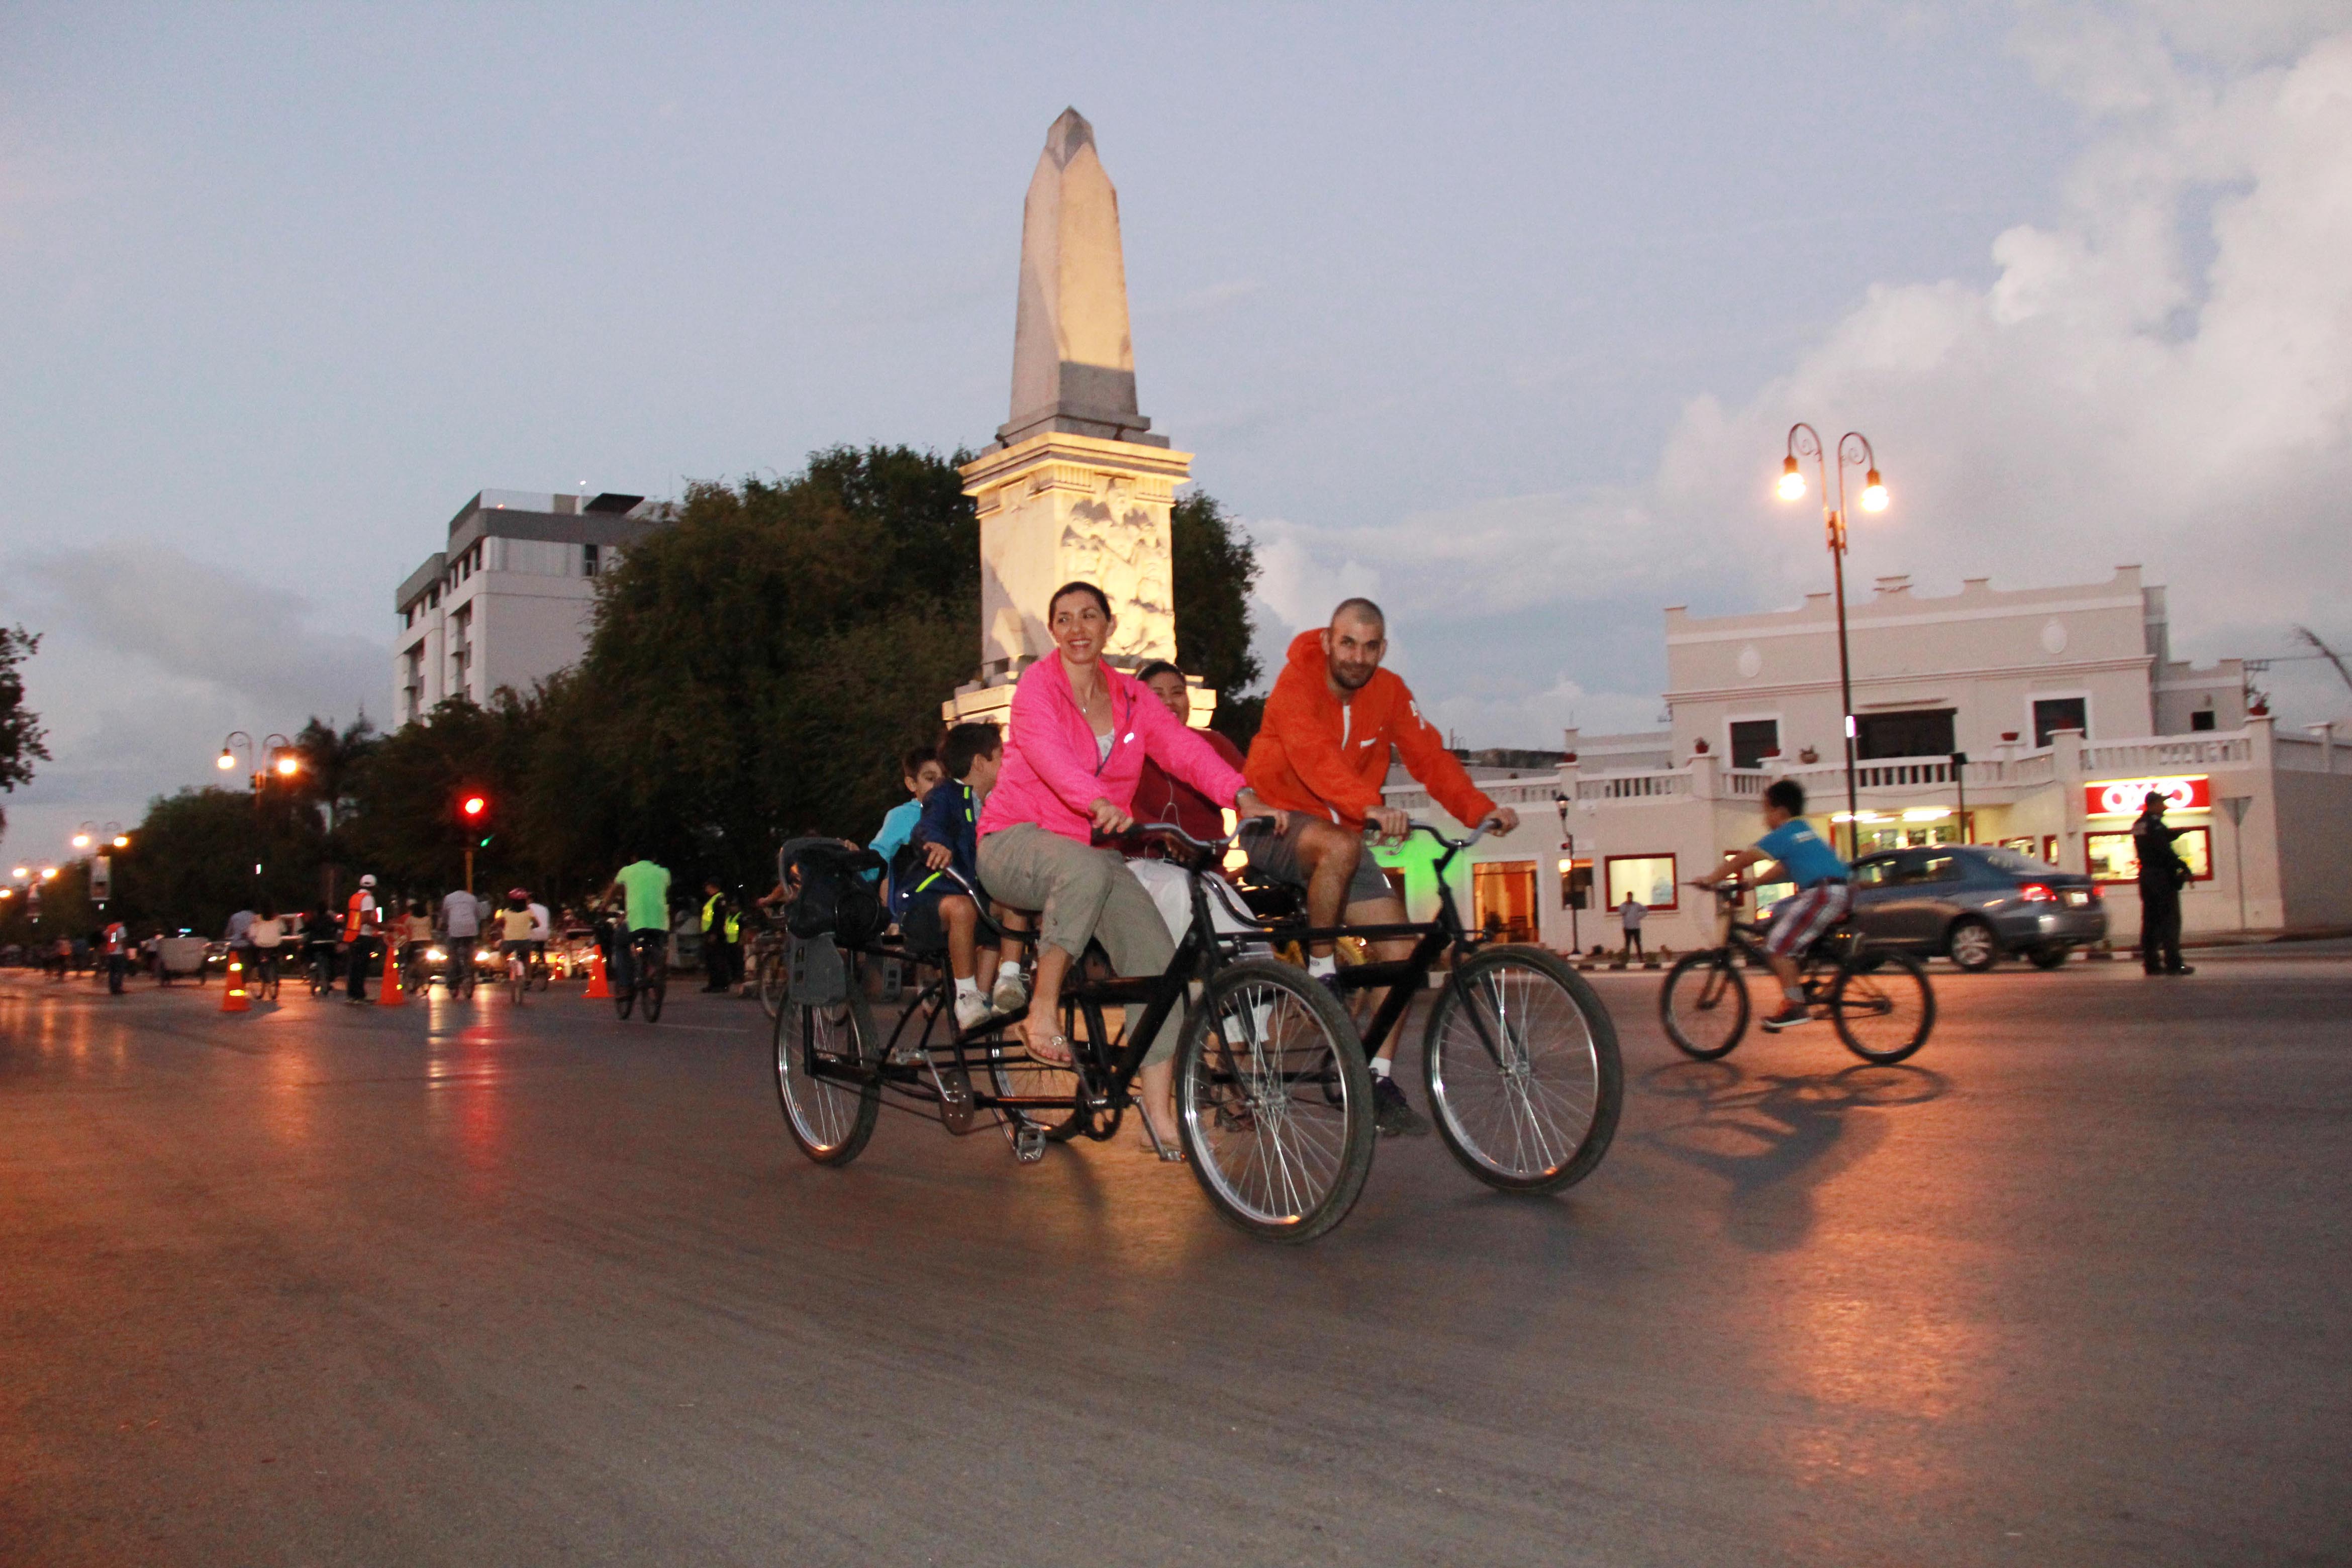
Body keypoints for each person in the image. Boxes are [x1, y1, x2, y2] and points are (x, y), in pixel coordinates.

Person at [974, 580, 1280, 1158]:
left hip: (1090, 853)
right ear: (1053, 630)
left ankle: (1159, 1116)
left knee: (1157, 965)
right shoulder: (1037, 689)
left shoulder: (1133, 699)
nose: (1077, 629)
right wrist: (1097, 802)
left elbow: (1186, 752)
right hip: (1014, 842)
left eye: (1089, 616)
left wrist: (1241, 795)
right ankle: (1042, 1013)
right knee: (1086, 869)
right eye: (1063, 619)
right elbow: (1050, 758)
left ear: (1109, 626)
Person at [1241, 598, 1519, 1136]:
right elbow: (1313, 756)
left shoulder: (1389, 692)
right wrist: (1367, 805)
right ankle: (1322, 974)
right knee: (1341, 848)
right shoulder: (1295, 685)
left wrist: (1479, 810)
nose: (1358, 656)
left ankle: (1374, 1075)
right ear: (1328, 640)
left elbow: (1430, 757)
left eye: (1370, 647)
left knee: (1402, 953)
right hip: (1276, 827)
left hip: (1340, 834)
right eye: (1348, 643)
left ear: (1383, 650)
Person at [1694, 778, 1849, 1031]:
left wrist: (1710, 879)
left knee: (1776, 946)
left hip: (1821, 893)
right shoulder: (1804, 831)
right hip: (1839, 890)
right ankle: (1801, 982)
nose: (1765, 817)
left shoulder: (1784, 834)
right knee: (1784, 922)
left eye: (1766, 810)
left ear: (1780, 811)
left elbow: (1744, 859)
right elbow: (1784, 867)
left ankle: (1794, 1005)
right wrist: (1754, 883)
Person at [907, 721, 1026, 1031]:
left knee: (1014, 904)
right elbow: (927, 826)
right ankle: (966, 996)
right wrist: (938, 844)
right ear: (979, 763)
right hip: (933, 895)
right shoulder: (945, 795)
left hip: (973, 894)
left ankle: (1010, 980)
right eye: (1000, 755)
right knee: (962, 908)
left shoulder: (1001, 800)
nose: (1006, 762)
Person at [1116, 660, 1249, 856]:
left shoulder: (1213, 743)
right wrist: (1162, 835)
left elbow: (1252, 789)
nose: (1169, 701)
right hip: (1141, 865)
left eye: (1177, 693)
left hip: (1206, 867)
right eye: (1157, 694)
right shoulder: (1126, 747)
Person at [871, 746, 945, 906]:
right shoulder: (901, 817)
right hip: (916, 898)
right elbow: (879, 858)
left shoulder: (957, 812)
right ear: (912, 784)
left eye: (945, 778)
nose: (940, 785)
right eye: (931, 779)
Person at [2133, 790, 2195, 976]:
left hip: (2146, 877)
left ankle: (2151, 963)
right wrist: (2183, 866)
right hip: (2161, 877)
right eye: (2162, 803)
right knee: (2170, 920)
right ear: (2153, 805)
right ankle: (2173, 963)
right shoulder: (2155, 825)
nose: (2165, 807)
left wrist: (2178, 833)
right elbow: (2163, 850)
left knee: (2150, 921)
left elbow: (2157, 840)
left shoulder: (2140, 824)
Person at [598, 854, 673, 998]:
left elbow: (613, 891)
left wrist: (603, 906)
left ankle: (625, 986)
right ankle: (654, 970)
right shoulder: (664, 873)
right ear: (654, 858)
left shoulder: (627, 871)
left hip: (636, 920)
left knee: (620, 942)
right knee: (657, 944)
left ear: (633, 858)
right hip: (660, 921)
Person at [343, 874, 382, 1003]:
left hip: (352, 935)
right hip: (364, 936)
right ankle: (359, 996)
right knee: (361, 967)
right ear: (374, 887)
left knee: (353, 967)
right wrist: (383, 926)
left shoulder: (355, 897)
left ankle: (352, 995)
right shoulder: (368, 898)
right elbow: (365, 919)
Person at [439, 884, 483, 995]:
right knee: (470, 954)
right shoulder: (472, 898)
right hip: (471, 929)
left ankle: (452, 981)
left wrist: (444, 924)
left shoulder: (448, 898)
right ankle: (471, 972)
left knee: (452, 954)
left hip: (455, 929)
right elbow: (478, 915)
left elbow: (444, 915)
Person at [498, 890, 537, 1000]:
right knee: (526, 959)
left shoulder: (506, 912)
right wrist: (531, 926)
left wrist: (498, 926)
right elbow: (537, 923)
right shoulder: (529, 912)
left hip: (509, 943)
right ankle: (528, 979)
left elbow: (498, 923)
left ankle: (505, 970)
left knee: (502, 953)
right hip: (525, 942)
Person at [700, 880, 735, 993]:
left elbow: (719, 918)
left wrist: (715, 933)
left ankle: (722, 984)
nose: (706, 890)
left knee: (718, 960)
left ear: (712, 887)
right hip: (711, 933)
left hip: (717, 935)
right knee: (711, 960)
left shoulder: (719, 899)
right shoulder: (713, 899)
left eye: (708, 887)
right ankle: (713, 984)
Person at [249, 902, 284, 993]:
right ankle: (278, 965)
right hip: (275, 945)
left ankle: (257, 970)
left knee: (256, 958)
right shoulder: (277, 918)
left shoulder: (256, 919)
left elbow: (251, 934)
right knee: (275, 955)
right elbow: (284, 930)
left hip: (261, 945)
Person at [100, 917, 130, 995]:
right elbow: (123, 941)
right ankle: (119, 988)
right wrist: (126, 952)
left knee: (112, 972)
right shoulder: (121, 928)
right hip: (119, 953)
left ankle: (113, 988)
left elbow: (105, 936)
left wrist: (105, 948)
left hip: (111, 953)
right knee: (120, 971)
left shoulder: (110, 928)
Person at [1618, 891, 1646, 958]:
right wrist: (1627, 906)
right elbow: (1622, 912)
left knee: (1638, 943)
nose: (1630, 898)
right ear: (1627, 897)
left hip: (1636, 927)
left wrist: (1640, 916)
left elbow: (1645, 910)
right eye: (1629, 897)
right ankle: (1626, 958)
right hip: (1627, 928)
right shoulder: (1623, 905)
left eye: (1631, 897)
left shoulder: (1637, 905)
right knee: (1628, 944)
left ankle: (1641, 957)